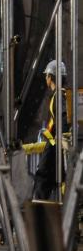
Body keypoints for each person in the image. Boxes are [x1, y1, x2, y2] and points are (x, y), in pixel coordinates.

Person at [32, 60, 70, 200]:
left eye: (47, 75)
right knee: (51, 181)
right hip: (56, 145)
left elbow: (64, 118)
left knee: (42, 179)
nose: (45, 78)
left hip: (54, 146)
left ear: (51, 77)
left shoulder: (58, 96)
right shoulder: (60, 95)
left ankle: (40, 217)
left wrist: (59, 141)